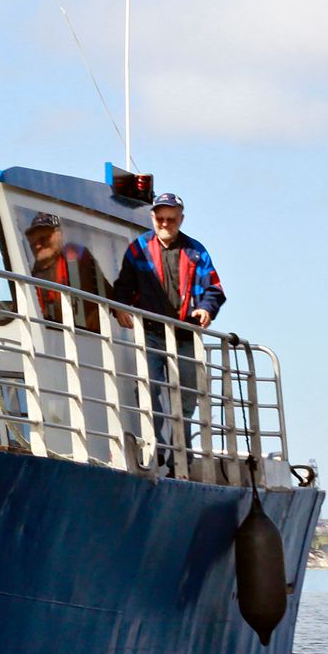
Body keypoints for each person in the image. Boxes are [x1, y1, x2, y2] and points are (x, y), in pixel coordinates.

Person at [111, 192, 226, 469]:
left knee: (186, 399)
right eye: (160, 218)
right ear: (153, 218)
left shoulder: (196, 251)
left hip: (186, 334)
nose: (165, 224)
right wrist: (120, 307)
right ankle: (158, 449)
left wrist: (206, 309)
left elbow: (214, 289)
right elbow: (124, 284)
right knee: (148, 390)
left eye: (170, 219)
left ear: (180, 220)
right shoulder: (139, 248)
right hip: (151, 332)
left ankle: (180, 454)